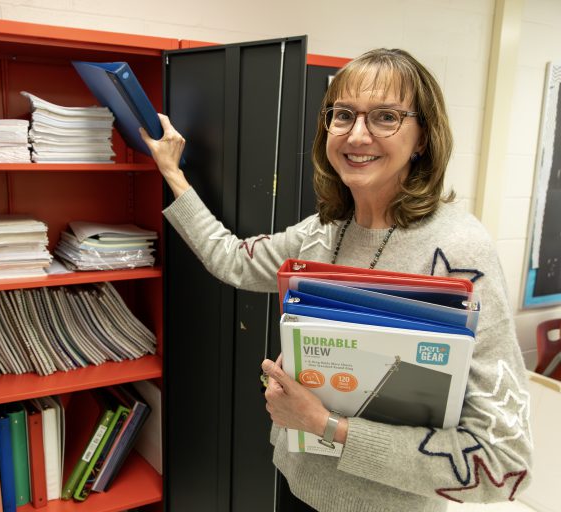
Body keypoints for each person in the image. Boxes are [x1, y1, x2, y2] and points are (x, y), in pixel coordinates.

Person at [140, 48, 533, 512]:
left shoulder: (458, 252)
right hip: (298, 487)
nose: (357, 134)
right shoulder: (324, 231)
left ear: (423, 137)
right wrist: (172, 172)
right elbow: (234, 260)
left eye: (385, 117)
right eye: (342, 115)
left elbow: (503, 464)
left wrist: (327, 425)